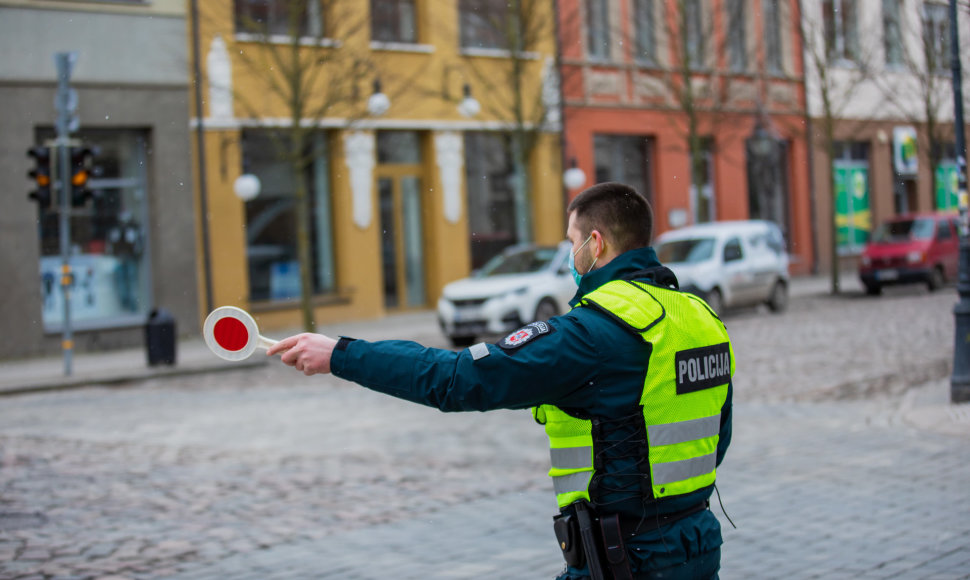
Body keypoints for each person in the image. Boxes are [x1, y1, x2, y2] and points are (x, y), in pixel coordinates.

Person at [267, 182, 734, 579]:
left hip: (625, 558)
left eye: (572, 241)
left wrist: (341, 354)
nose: (571, 254)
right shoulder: (699, 317)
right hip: (696, 542)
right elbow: (716, 435)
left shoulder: (592, 334)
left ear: (596, 243)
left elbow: (457, 379)